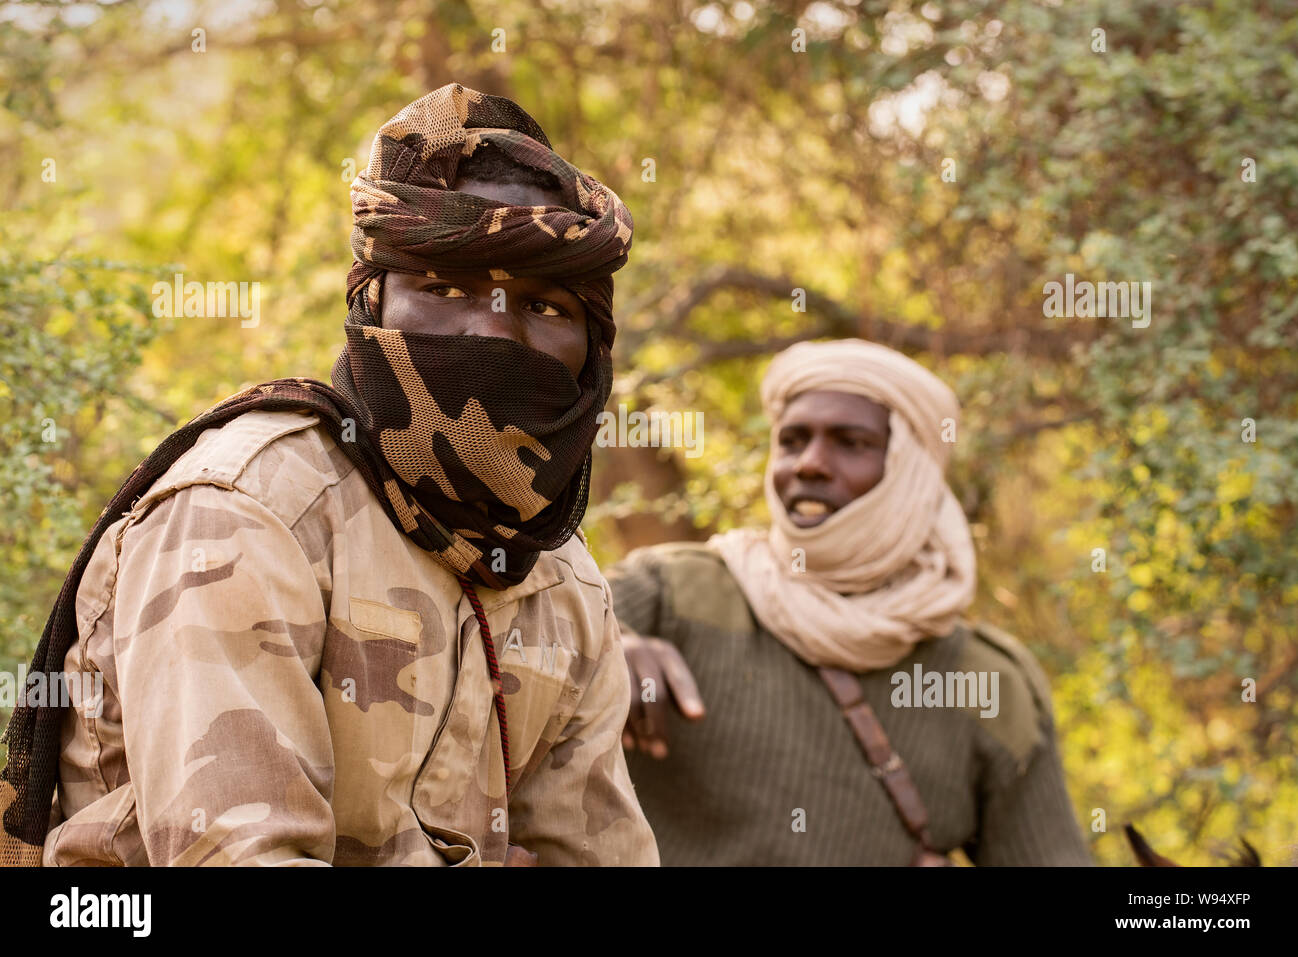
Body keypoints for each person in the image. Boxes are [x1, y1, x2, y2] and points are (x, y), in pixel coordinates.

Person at [0, 83, 658, 867]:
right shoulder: (246, 512)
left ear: (595, 346)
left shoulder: (563, 580)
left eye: (545, 306)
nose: (492, 330)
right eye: (444, 289)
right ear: (372, 305)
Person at [609, 339, 1092, 865]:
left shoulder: (988, 683)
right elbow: (533, 640)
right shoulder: (671, 593)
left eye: (851, 443)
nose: (810, 464)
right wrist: (610, 645)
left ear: (909, 472)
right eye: (792, 442)